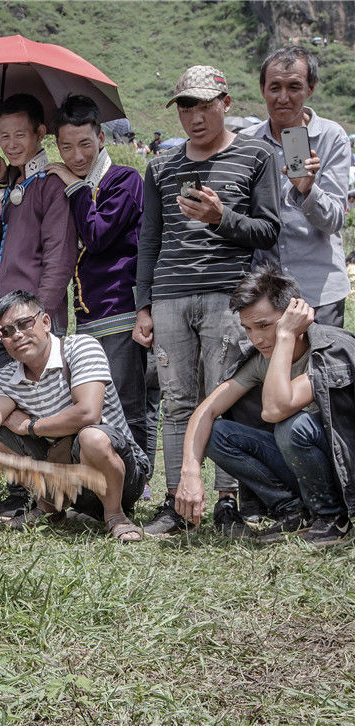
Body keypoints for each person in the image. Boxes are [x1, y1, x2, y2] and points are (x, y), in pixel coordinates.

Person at [133, 65, 281, 537]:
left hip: (227, 297)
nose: (194, 117)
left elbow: (269, 228)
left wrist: (222, 218)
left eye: (203, 105)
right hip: (170, 295)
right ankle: (176, 504)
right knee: (176, 401)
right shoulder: (160, 166)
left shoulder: (256, 155)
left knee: (223, 399)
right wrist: (144, 305)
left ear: (226, 103)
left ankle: (226, 504)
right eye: (185, 107)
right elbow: (149, 240)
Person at [174, 267, 353, 547]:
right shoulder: (260, 358)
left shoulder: (332, 351)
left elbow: (275, 409)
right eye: (248, 328)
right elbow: (205, 411)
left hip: (345, 473)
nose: (255, 338)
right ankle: (296, 511)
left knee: (294, 427)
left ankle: (332, 518)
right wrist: (190, 472)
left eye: (264, 325)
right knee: (217, 432)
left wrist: (284, 337)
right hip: (305, 468)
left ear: (295, 315)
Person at [0, 291, 149, 542]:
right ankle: (49, 508)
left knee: (92, 438)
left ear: (45, 322)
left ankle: (116, 515)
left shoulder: (79, 347)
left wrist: (32, 426)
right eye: (7, 332)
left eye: (24, 324)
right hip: (68, 477)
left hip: (123, 477)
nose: (18, 335)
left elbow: (88, 413)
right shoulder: (7, 376)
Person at [44, 94, 157, 476]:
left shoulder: (125, 179)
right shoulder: (77, 183)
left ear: (102, 139)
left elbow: (96, 235)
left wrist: (72, 185)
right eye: (66, 147)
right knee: (100, 404)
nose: (76, 155)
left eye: (85, 145)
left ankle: (137, 482)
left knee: (130, 403)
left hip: (122, 309)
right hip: (88, 317)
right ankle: (110, 476)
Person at [240, 46, 352, 327]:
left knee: (321, 370)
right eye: (274, 87)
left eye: (294, 87)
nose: (283, 98)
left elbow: (334, 220)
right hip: (265, 293)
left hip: (319, 289)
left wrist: (308, 189)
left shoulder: (331, 137)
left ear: (310, 89)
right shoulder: (246, 142)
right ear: (262, 89)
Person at [0, 93, 77, 332]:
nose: (11, 145)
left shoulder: (51, 185)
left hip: (34, 322)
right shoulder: (13, 186)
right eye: (5, 137)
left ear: (41, 133)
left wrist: (39, 317)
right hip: (4, 318)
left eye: (20, 135)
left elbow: (59, 259)